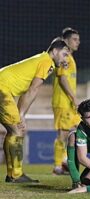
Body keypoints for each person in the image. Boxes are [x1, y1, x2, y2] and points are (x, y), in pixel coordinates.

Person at [0, 37, 69, 183]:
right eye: (64, 54)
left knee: (13, 131)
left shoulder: (42, 59)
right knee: (18, 130)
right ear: (55, 51)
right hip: (2, 89)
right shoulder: (47, 62)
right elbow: (33, 89)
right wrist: (22, 114)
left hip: (3, 87)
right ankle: (16, 175)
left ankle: (12, 174)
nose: (65, 58)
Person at [52, 27, 81, 175]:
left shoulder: (70, 57)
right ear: (66, 41)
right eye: (75, 39)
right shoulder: (64, 58)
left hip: (69, 103)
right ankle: (58, 165)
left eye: (78, 39)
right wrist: (73, 98)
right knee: (63, 134)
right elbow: (63, 79)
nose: (78, 42)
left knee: (78, 129)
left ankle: (65, 161)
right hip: (63, 102)